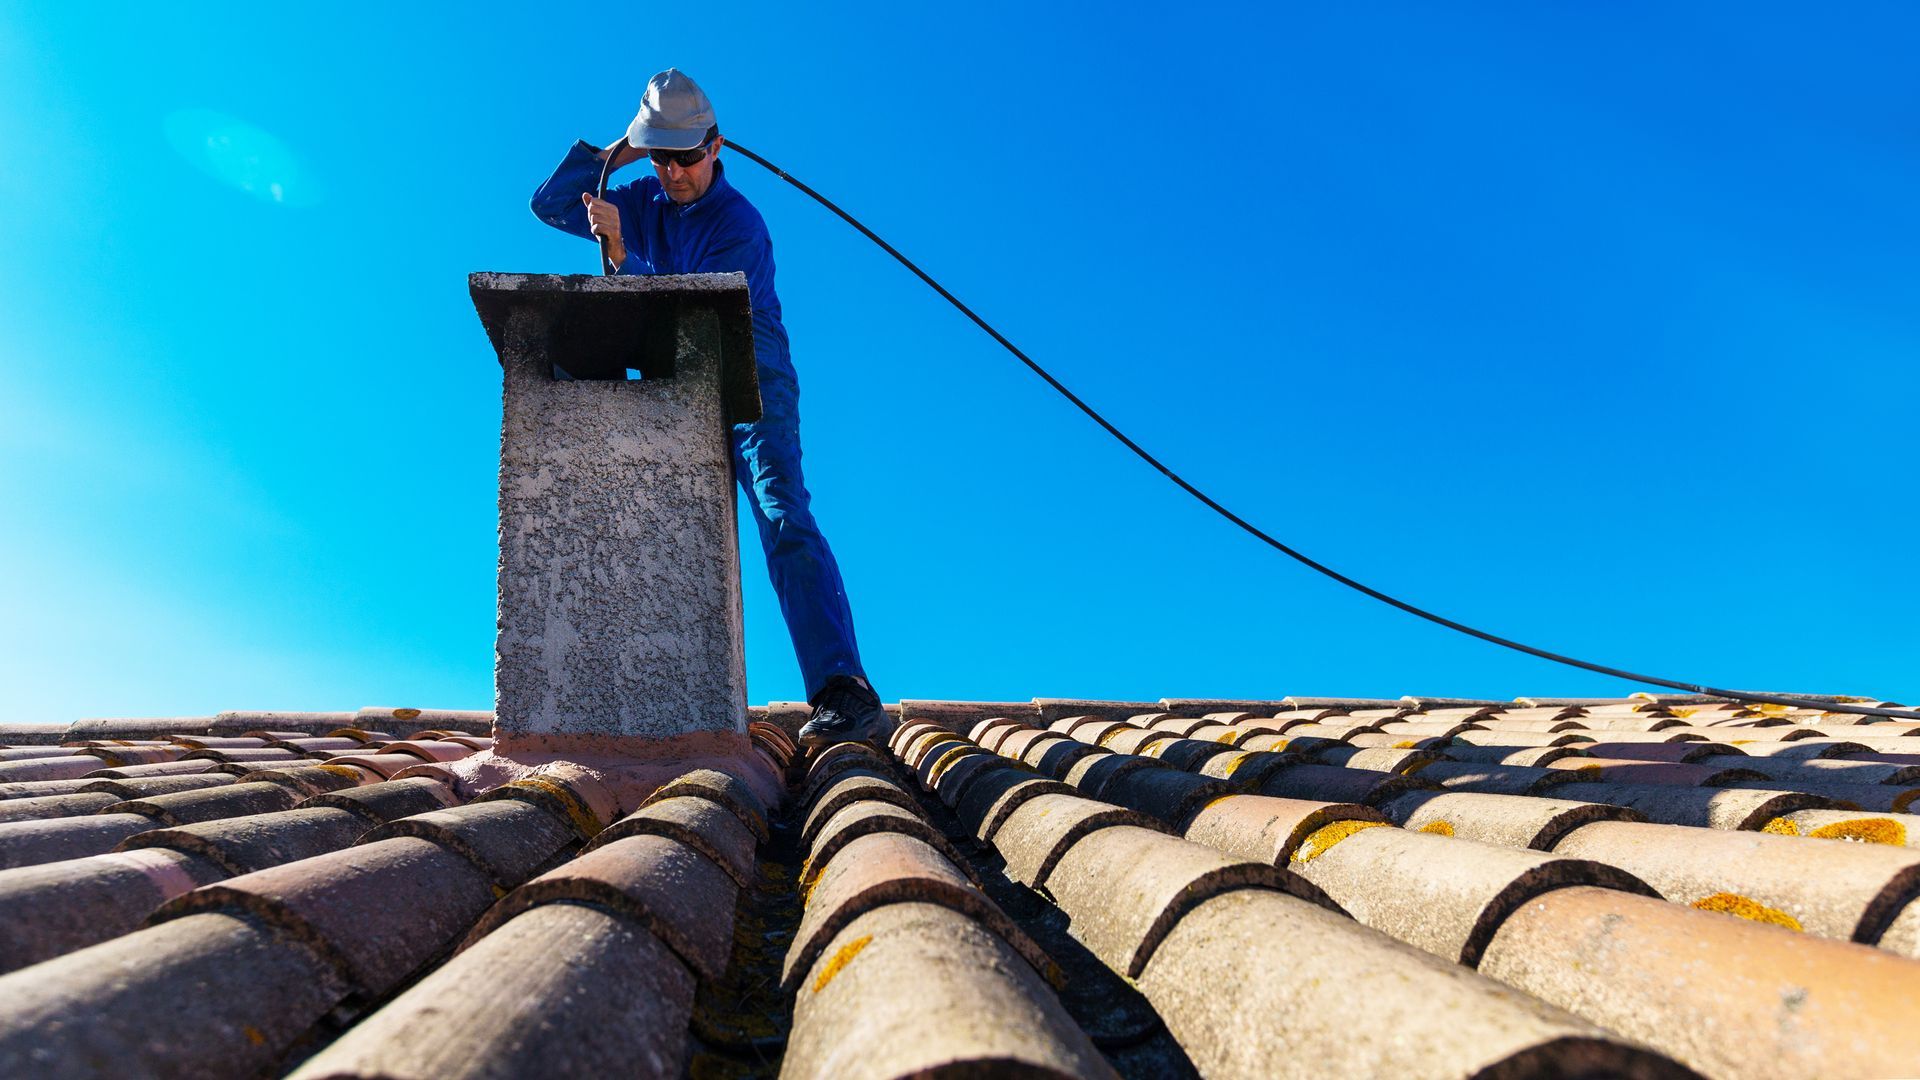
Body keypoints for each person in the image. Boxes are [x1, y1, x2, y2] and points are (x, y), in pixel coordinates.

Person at [530, 68, 892, 749]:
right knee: (656, 520)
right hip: (680, 378)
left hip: (749, 375)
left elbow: (693, 307)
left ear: (716, 147)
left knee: (780, 510)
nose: (675, 173)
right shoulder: (641, 195)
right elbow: (551, 203)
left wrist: (621, 253)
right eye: (662, 157)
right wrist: (622, 152)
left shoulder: (739, 224)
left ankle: (844, 687)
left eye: (686, 156)